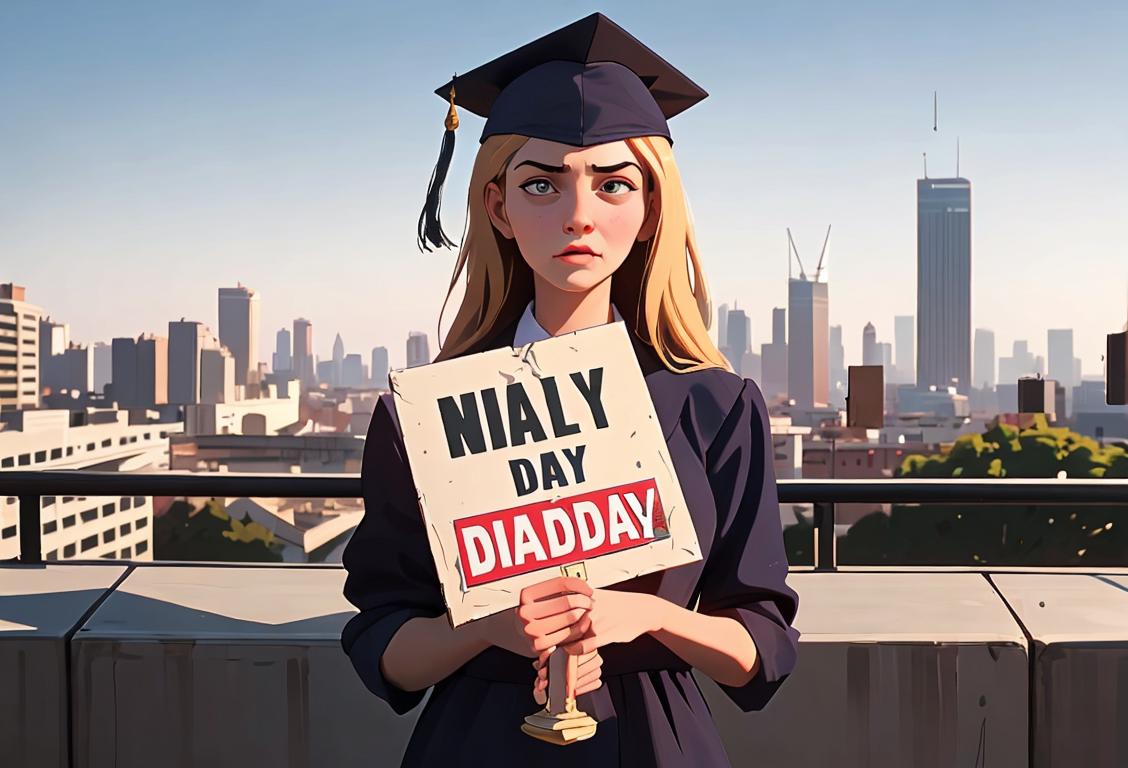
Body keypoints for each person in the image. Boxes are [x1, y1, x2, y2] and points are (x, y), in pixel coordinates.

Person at [340, 13, 800, 767]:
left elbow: (764, 647)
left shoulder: (716, 408)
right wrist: (485, 628)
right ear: (499, 208)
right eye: (541, 184)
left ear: (651, 209)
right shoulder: (424, 416)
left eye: (613, 184)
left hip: (656, 741)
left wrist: (646, 616)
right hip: (480, 741)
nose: (578, 216)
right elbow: (382, 641)